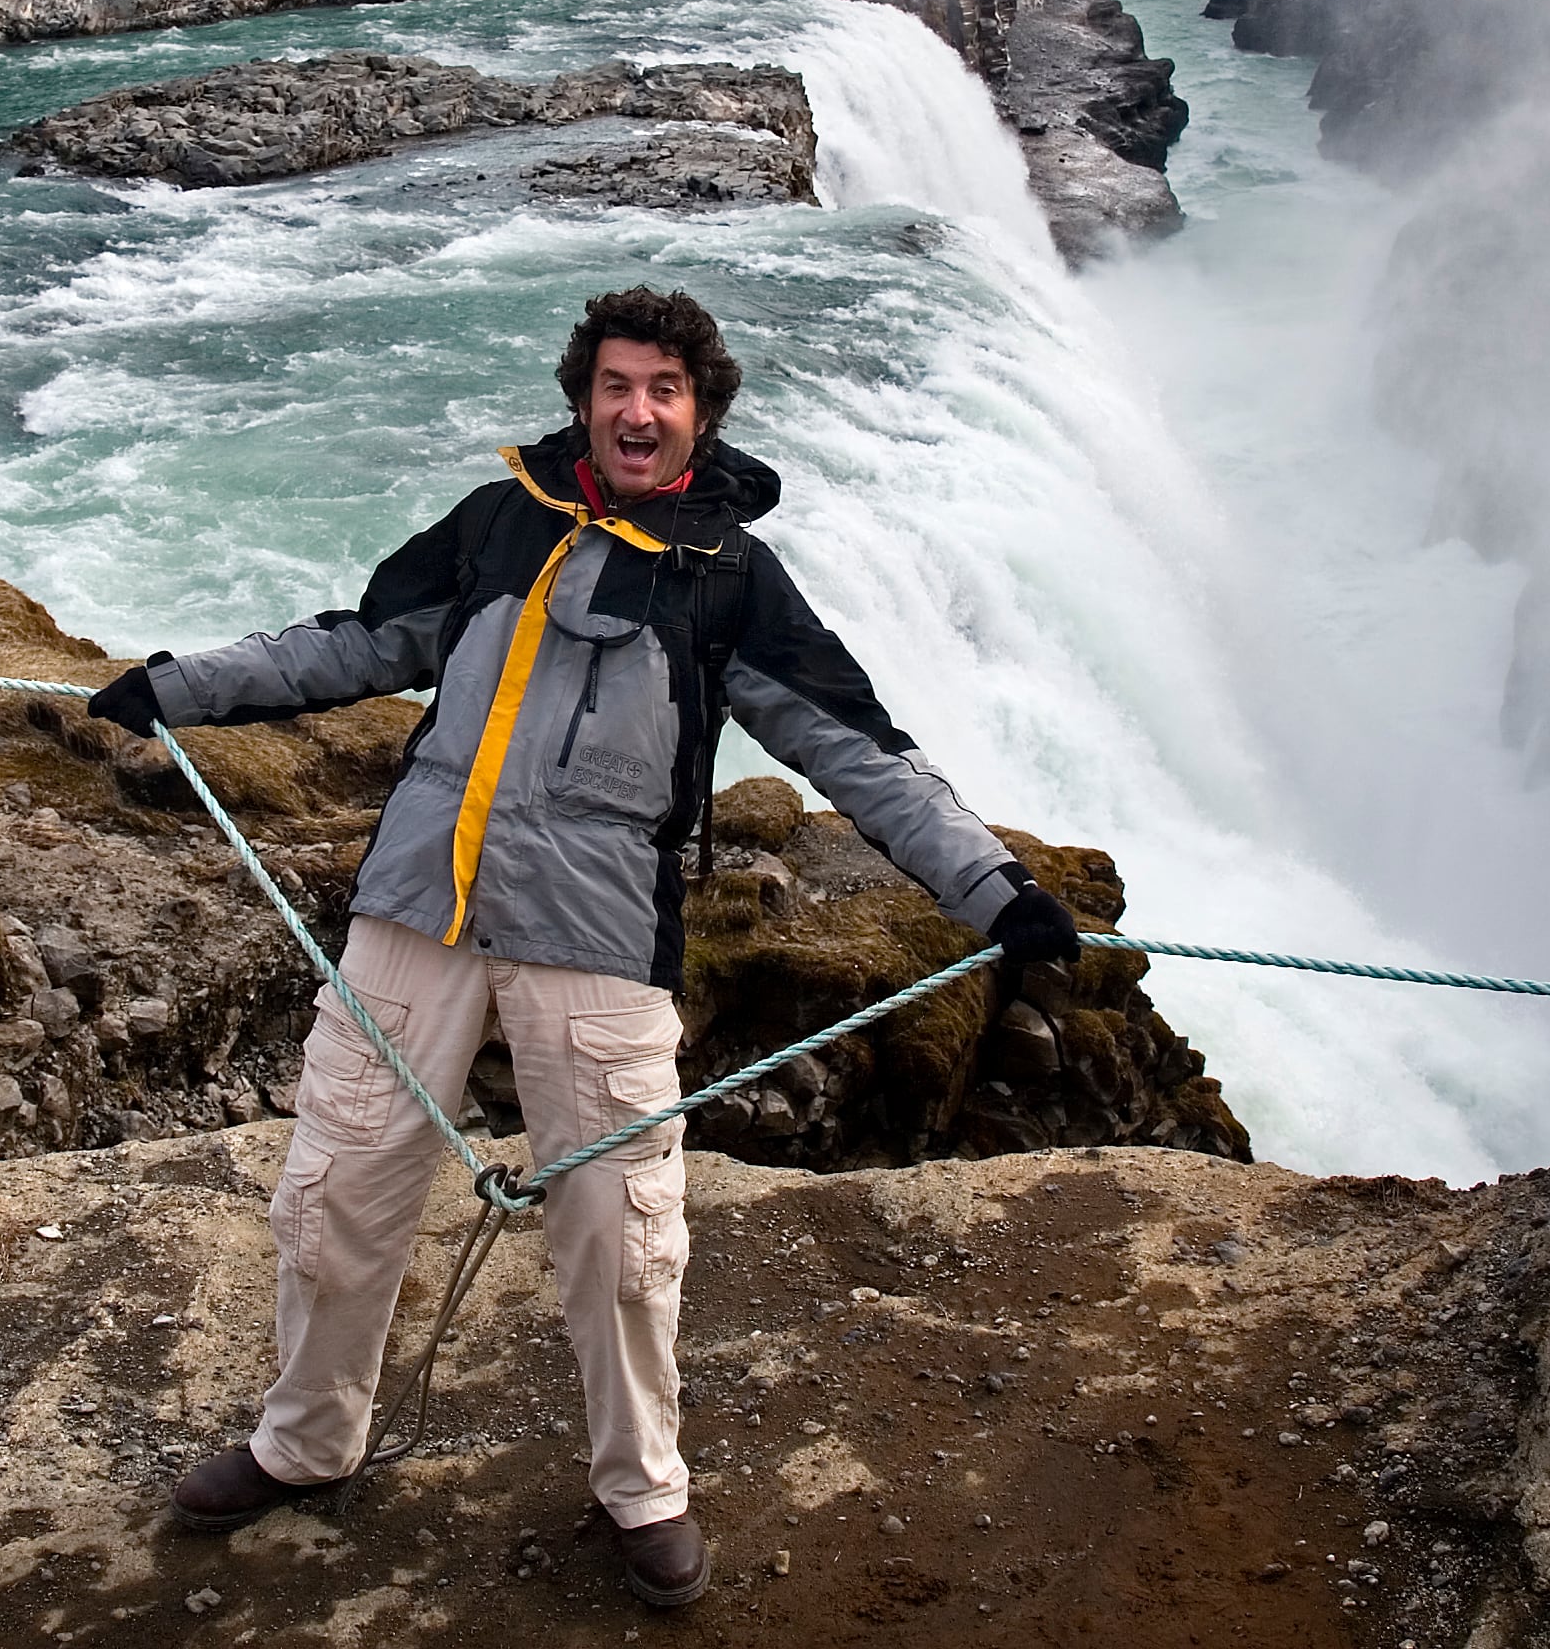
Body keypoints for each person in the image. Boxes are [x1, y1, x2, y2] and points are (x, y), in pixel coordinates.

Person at [89, 284, 1084, 1609]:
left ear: (702, 412)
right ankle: (305, 1443)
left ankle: (644, 1487)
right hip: (416, 909)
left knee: (621, 1236)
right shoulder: (499, 520)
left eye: (665, 390)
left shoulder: (730, 579)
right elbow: (358, 643)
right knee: (333, 1197)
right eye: (617, 385)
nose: (638, 411)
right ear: (582, 399)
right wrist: (177, 687)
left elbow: (852, 747)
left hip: (601, 933)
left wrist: (995, 889)